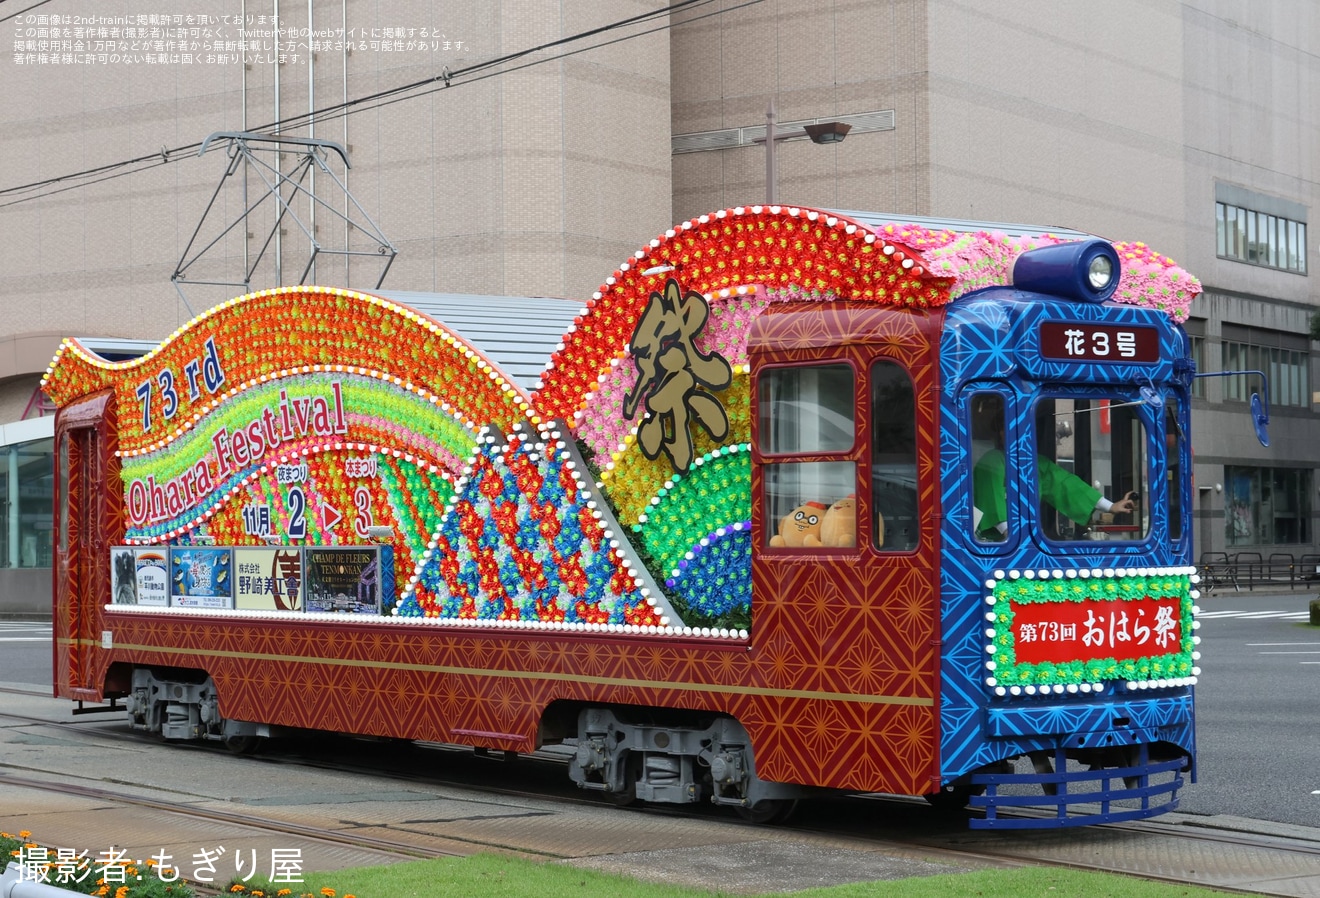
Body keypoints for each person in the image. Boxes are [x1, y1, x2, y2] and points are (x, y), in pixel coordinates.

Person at [972, 398, 1135, 540]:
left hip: (1026, 539)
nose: (1012, 433)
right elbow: (992, 498)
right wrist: (1008, 531)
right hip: (997, 543)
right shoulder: (992, 460)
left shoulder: (1037, 462)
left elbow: (1067, 485)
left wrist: (1111, 506)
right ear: (999, 433)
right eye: (1005, 428)